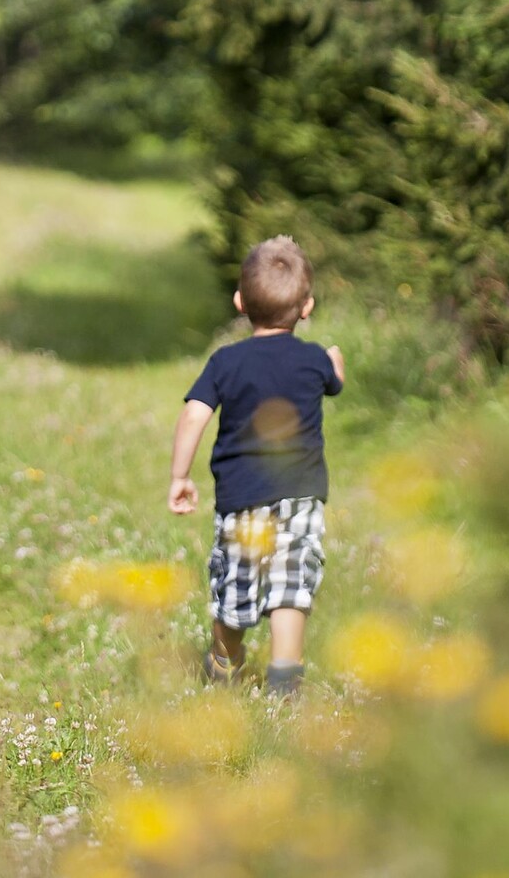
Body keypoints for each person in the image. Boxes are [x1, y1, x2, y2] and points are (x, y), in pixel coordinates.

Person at [168, 236, 345, 697]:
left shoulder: (225, 361)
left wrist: (180, 477)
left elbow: (194, 414)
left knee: (235, 589)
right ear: (306, 307)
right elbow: (334, 382)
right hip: (301, 493)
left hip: (242, 498)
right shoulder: (314, 358)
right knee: (292, 583)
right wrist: (337, 367)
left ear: (240, 302)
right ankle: (285, 675)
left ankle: (225, 662)